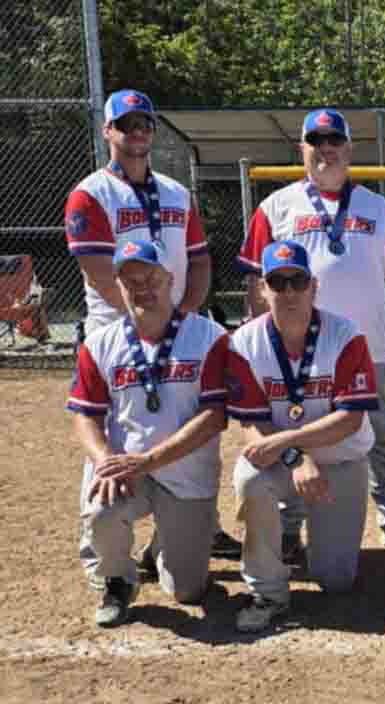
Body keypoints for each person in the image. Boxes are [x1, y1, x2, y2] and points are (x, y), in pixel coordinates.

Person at [63, 89, 238, 568]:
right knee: (114, 439)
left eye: (144, 124)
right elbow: (100, 272)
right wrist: (143, 317)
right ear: (108, 131)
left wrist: (180, 319)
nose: (137, 132)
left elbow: (200, 261)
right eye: (126, 124)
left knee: (189, 429)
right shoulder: (90, 193)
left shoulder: (178, 192)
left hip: (177, 329)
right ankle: (102, 549)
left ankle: (195, 526)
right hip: (118, 333)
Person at [237, 108, 385, 556]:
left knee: (381, 438)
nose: (326, 148)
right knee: (289, 433)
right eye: (316, 141)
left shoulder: (380, 209)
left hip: (367, 349)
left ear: (348, 147)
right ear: (302, 149)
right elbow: (256, 285)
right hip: (292, 354)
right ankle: (288, 525)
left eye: (334, 139)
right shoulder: (275, 207)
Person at [68, 239, 229, 627]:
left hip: (187, 473)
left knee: (188, 591)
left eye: (151, 277)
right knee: (102, 507)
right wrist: (106, 459)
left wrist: (151, 459)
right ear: (118, 285)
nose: (142, 287)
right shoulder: (100, 343)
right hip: (126, 469)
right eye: (130, 279)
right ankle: (118, 582)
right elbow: (85, 415)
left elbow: (215, 415)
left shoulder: (209, 337)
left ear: (170, 277)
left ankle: (161, 545)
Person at [227, 241, 379, 632]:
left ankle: (301, 535)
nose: (289, 291)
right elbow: (251, 425)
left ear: (314, 286)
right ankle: (268, 591)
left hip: (341, 459)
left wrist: (286, 443)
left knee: (336, 581)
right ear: (263, 288)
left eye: (298, 280)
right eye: (278, 282)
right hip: (286, 463)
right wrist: (297, 457)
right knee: (249, 478)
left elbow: (349, 419)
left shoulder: (346, 335)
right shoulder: (244, 342)